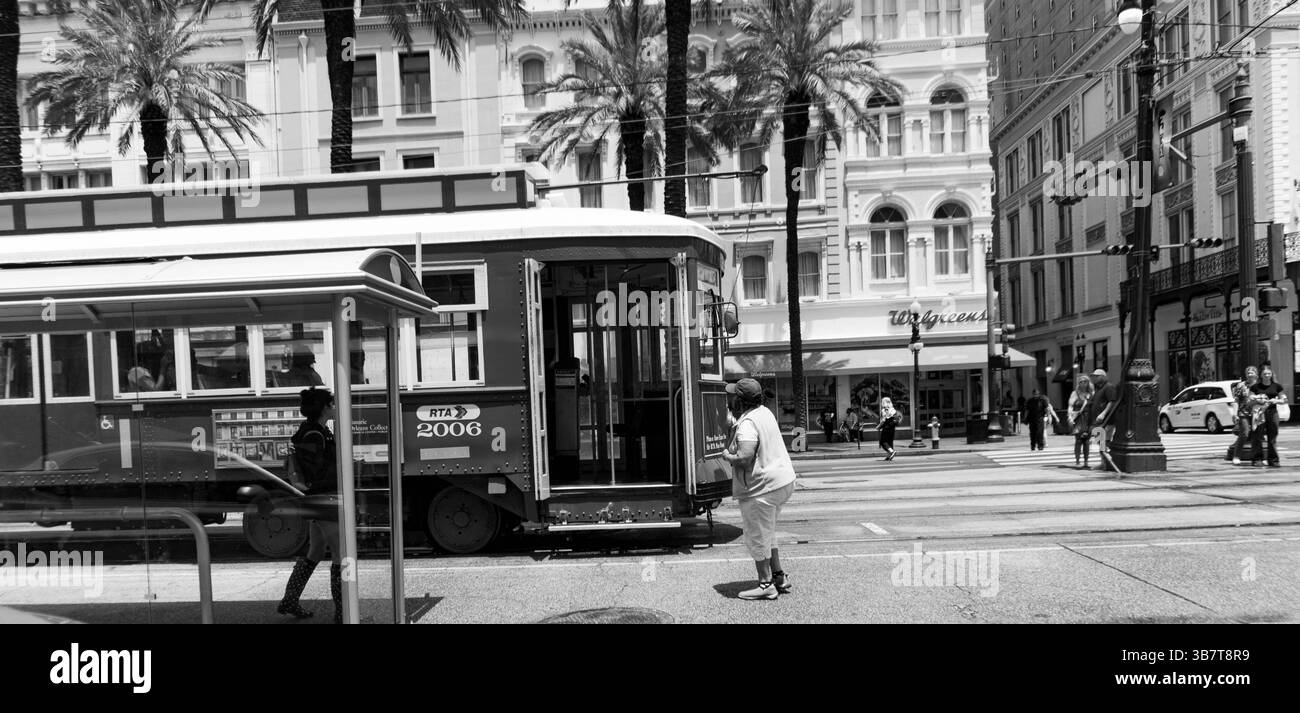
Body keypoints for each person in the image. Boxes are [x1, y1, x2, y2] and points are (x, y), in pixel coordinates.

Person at [721, 378, 796, 600]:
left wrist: (727, 456)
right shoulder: (765, 412)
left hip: (761, 488)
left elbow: (744, 457)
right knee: (768, 532)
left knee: (756, 535)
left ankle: (766, 585)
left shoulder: (747, 423)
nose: (732, 398)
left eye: (735, 395)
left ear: (741, 400)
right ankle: (779, 576)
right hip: (783, 482)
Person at [277, 387, 344, 623]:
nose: (335, 407)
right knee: (341, 554)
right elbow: (316, 471)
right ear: (324, 407)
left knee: (315, 551)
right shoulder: (314, 434)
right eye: (332, 404)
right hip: (323, 499)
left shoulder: (317, 431)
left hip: (318, 499)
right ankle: (343, 612)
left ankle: (290, 600)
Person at [1250, 365, 1287, 467]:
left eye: (1268, 374)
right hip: (1259, 413)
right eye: (1264, 374)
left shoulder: (1277, 386)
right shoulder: (1255, 387)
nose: (1267, 375)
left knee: (1273, 437)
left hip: (1272, 412)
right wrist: (1257, 399)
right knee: (1257, 436)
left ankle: (1273, 460)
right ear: (1261, 375)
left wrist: (1276, 400)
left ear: (1271, 375)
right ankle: (1257, 459)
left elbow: (1284, 399)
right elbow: (1249, 401)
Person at [1230, 367, 1260, 466]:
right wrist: (1234, 414)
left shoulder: (1260, 385)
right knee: (1245, 433)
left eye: (1252, 373)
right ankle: (1236, 456)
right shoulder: (1241, 385)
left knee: (1257, 435)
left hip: (1257, 413)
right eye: (1248, 373)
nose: (1249, 375)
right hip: (1244, 412)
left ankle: (1257, 457)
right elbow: (1236, 400)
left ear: (1256, 374)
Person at [1067, 376, 1094, 468]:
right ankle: (1077, 460)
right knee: (1078, 440)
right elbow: (1070, 406)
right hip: (1078, 418)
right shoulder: (1075, 393)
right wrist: (1070, 417)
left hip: (1088, 419)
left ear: (1088, 382)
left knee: (1087, 441)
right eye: (1080, 381)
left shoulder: (1092, 393)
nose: (1083, 383)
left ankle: (1086, 461)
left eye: (1085, 381)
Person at [876, 397, 901, 461]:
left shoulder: (885, 410)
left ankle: (892, 452)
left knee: (883, 441)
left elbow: (883, 420)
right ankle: (889, 456)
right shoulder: (893, 409)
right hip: (892, 428)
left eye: (882, 402)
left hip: (886, 428)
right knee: (890, 442)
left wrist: (879, 426)